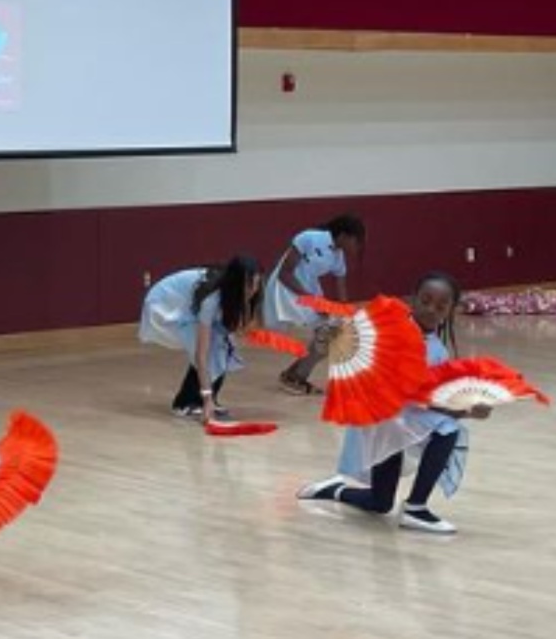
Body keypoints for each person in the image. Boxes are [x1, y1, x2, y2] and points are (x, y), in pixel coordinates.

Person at [295, 272, 484, 536]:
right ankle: (416, 508)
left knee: (379, 503)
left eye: (441, 306)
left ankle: (334, 489)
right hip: (383, 420)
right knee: (447, 428)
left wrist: (469, 405)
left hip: (402, 419)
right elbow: (414, 397)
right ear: (413, 300)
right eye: (426, 301)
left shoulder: (436, 347)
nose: (431, 310)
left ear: (451, 310)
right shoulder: (393, 332)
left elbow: (427, 395)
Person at [137, 256, 262, 421]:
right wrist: (207, 398)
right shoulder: (211, 300)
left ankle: (204, 400)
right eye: (249, 285)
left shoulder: (235, 292)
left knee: (223, 343)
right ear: (236, 283)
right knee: (210, 348)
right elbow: (201, 355)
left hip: (187, 305)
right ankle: (185, 403)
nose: (253, 290)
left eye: (256, 284)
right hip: (165, 305)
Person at [266, 213, 365, 394]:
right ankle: (294, 378)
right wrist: (312, 300)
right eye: (355, 241)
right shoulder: (308, 238)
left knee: (331, 333)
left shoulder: (338, 256)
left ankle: (292, 375)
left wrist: (346, 318)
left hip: (309, 292)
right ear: (344, 236)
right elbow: (284, 273)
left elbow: (342, 293)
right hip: (285, 290)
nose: (357, 247)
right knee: (326, 333)